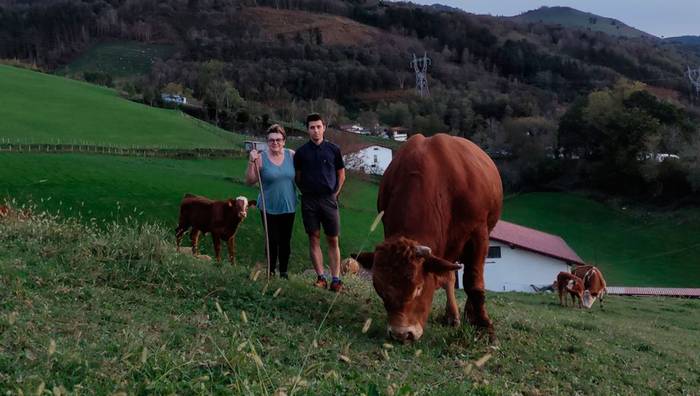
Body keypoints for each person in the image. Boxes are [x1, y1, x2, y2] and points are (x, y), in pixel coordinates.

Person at [294, 113, 346, 292]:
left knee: (333, 239)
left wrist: (334, 194)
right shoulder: (301, 153)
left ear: (324, 127)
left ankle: (336, 279)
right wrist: (306, 192)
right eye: (311, 127)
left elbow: (341, 174)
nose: (315, 130)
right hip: (309, 201)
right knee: (313, 238)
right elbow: (298, 177)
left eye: (318, 126)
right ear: (307, 129)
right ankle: (321, 278)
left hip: (328, 200)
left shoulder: (334, 149)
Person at [245, 124, 296, 279]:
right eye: (271, 140)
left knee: (285, 241)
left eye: (278, 140)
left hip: (288, 205)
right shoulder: (260, 158)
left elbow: (301, 176)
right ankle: (271, 270)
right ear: (267, 142)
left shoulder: (292, 155)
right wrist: (250, 162)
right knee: (272, 240)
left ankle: (284, 272)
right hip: (268, 206)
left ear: (284, 141)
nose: (275, 143)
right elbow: (250, 181)